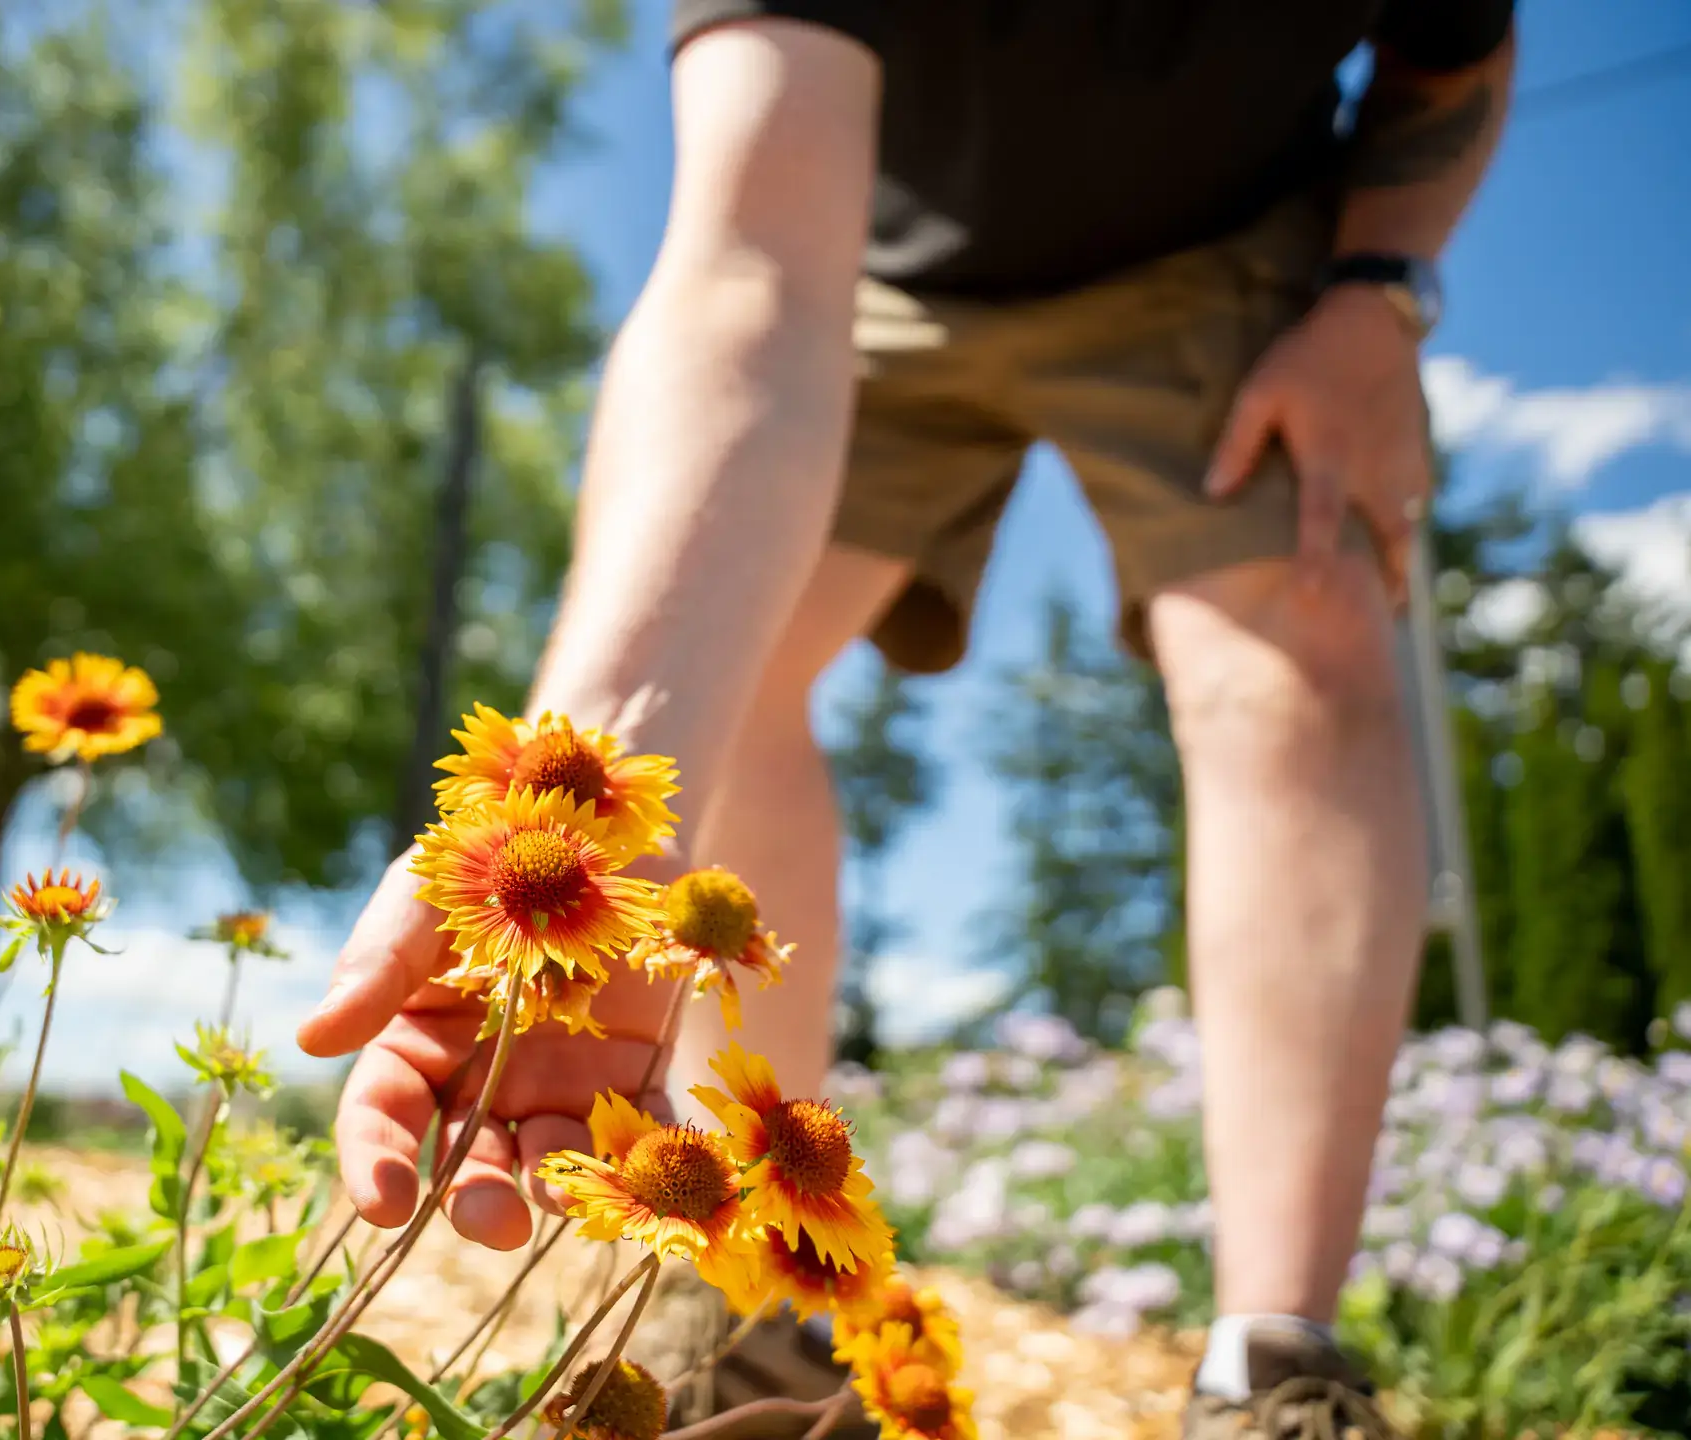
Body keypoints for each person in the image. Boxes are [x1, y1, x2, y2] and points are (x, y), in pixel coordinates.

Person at [300, 2, 1515, 1434]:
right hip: (860, 248)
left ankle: (1278, 1361)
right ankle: (746, 1300)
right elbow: (749, 271)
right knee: (734, 653)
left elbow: (1450, 59)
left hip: (1233, 247)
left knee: (1300, 647)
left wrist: (1376, 294)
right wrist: (560, 821)